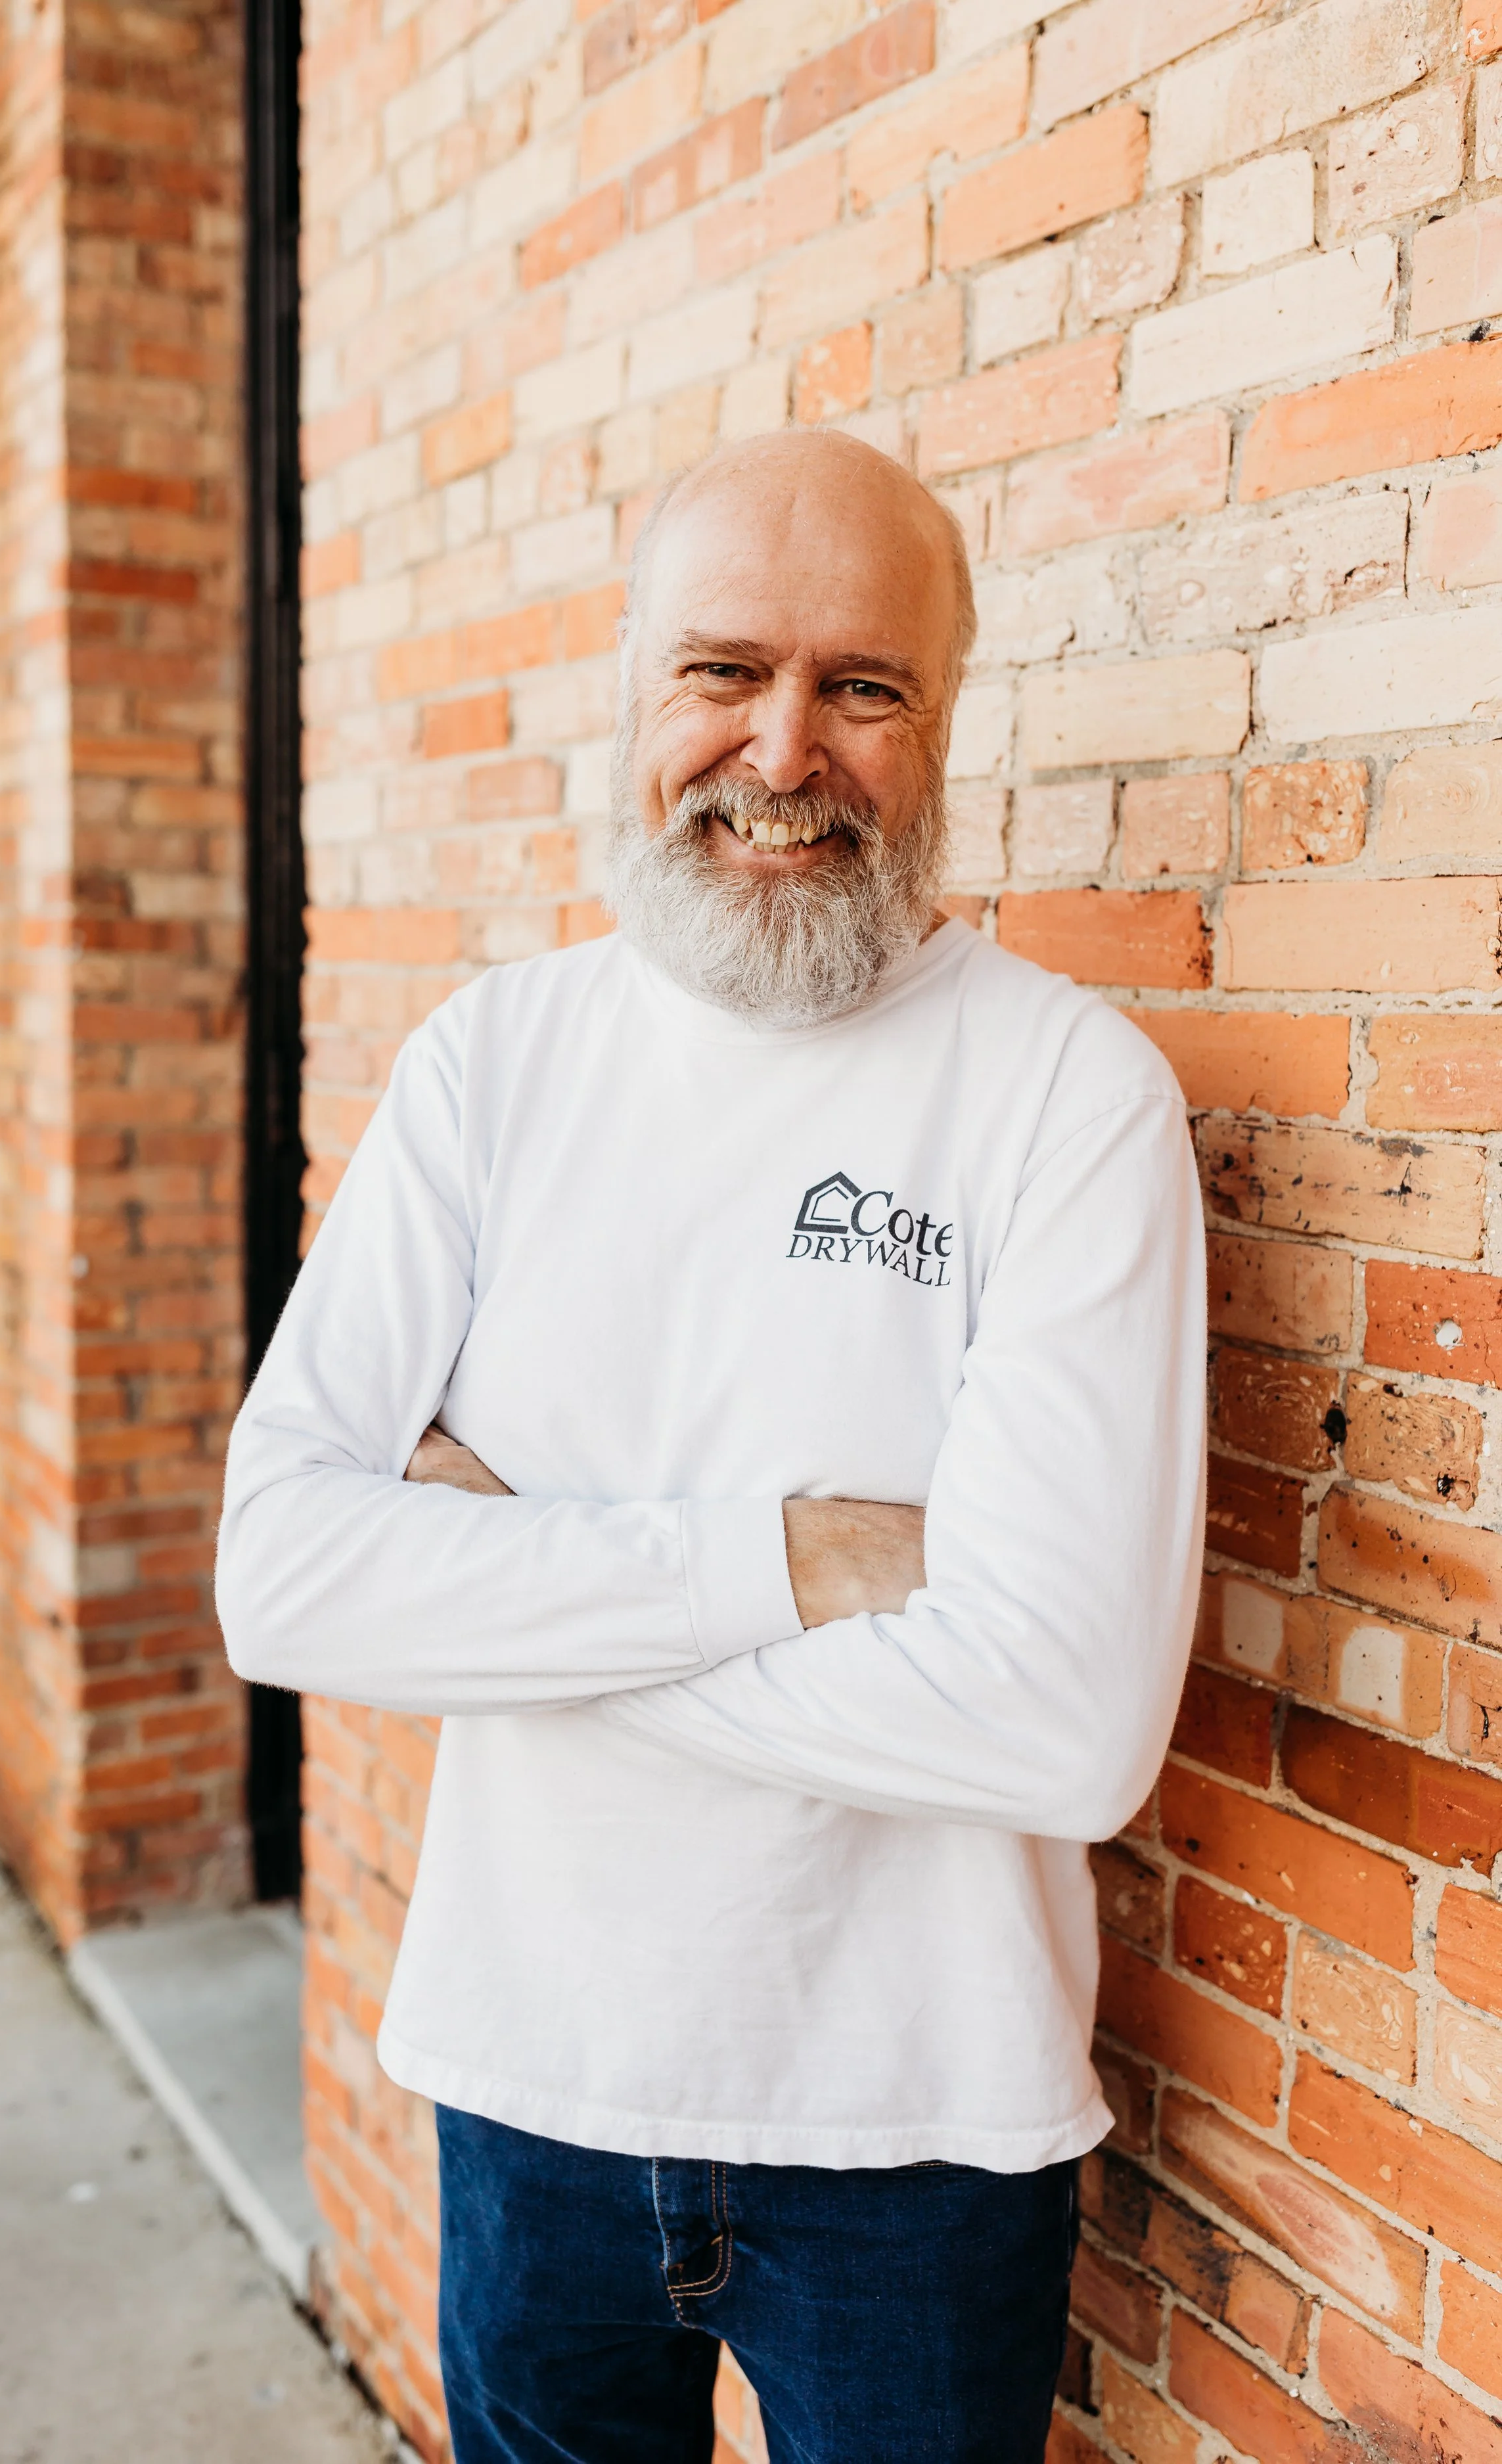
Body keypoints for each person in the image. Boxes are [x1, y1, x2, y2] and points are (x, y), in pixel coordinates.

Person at [217, 428, 1206, 2464]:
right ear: (632, 683)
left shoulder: (1064, 1095)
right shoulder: (494, 1063)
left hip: (918, 2124)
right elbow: (285, 1573)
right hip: (533, 2079)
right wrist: (792, 1555)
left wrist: (516, 1585)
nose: (782, 750)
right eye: (721, 671)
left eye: (864, 688)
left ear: (943, 719)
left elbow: (1061, 1724)